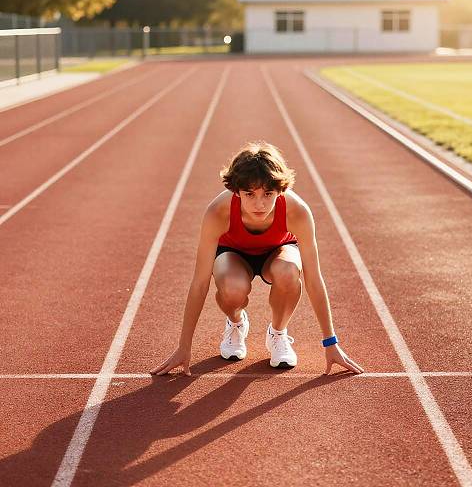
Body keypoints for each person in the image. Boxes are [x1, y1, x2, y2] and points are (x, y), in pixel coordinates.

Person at [151, 141, 364, 376]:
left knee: (289, 272)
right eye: (249, 194)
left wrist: (330, 343)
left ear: (280, 190)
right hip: (233, 253)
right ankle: (236, 323)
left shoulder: (297, 212)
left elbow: (313, 279)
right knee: (233, 288)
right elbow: (200, 282)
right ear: (236, 190)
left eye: (268, 194)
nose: (259, 204)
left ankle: (278, 334)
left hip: (279, 250)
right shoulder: (218, 212)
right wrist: (184, 347)